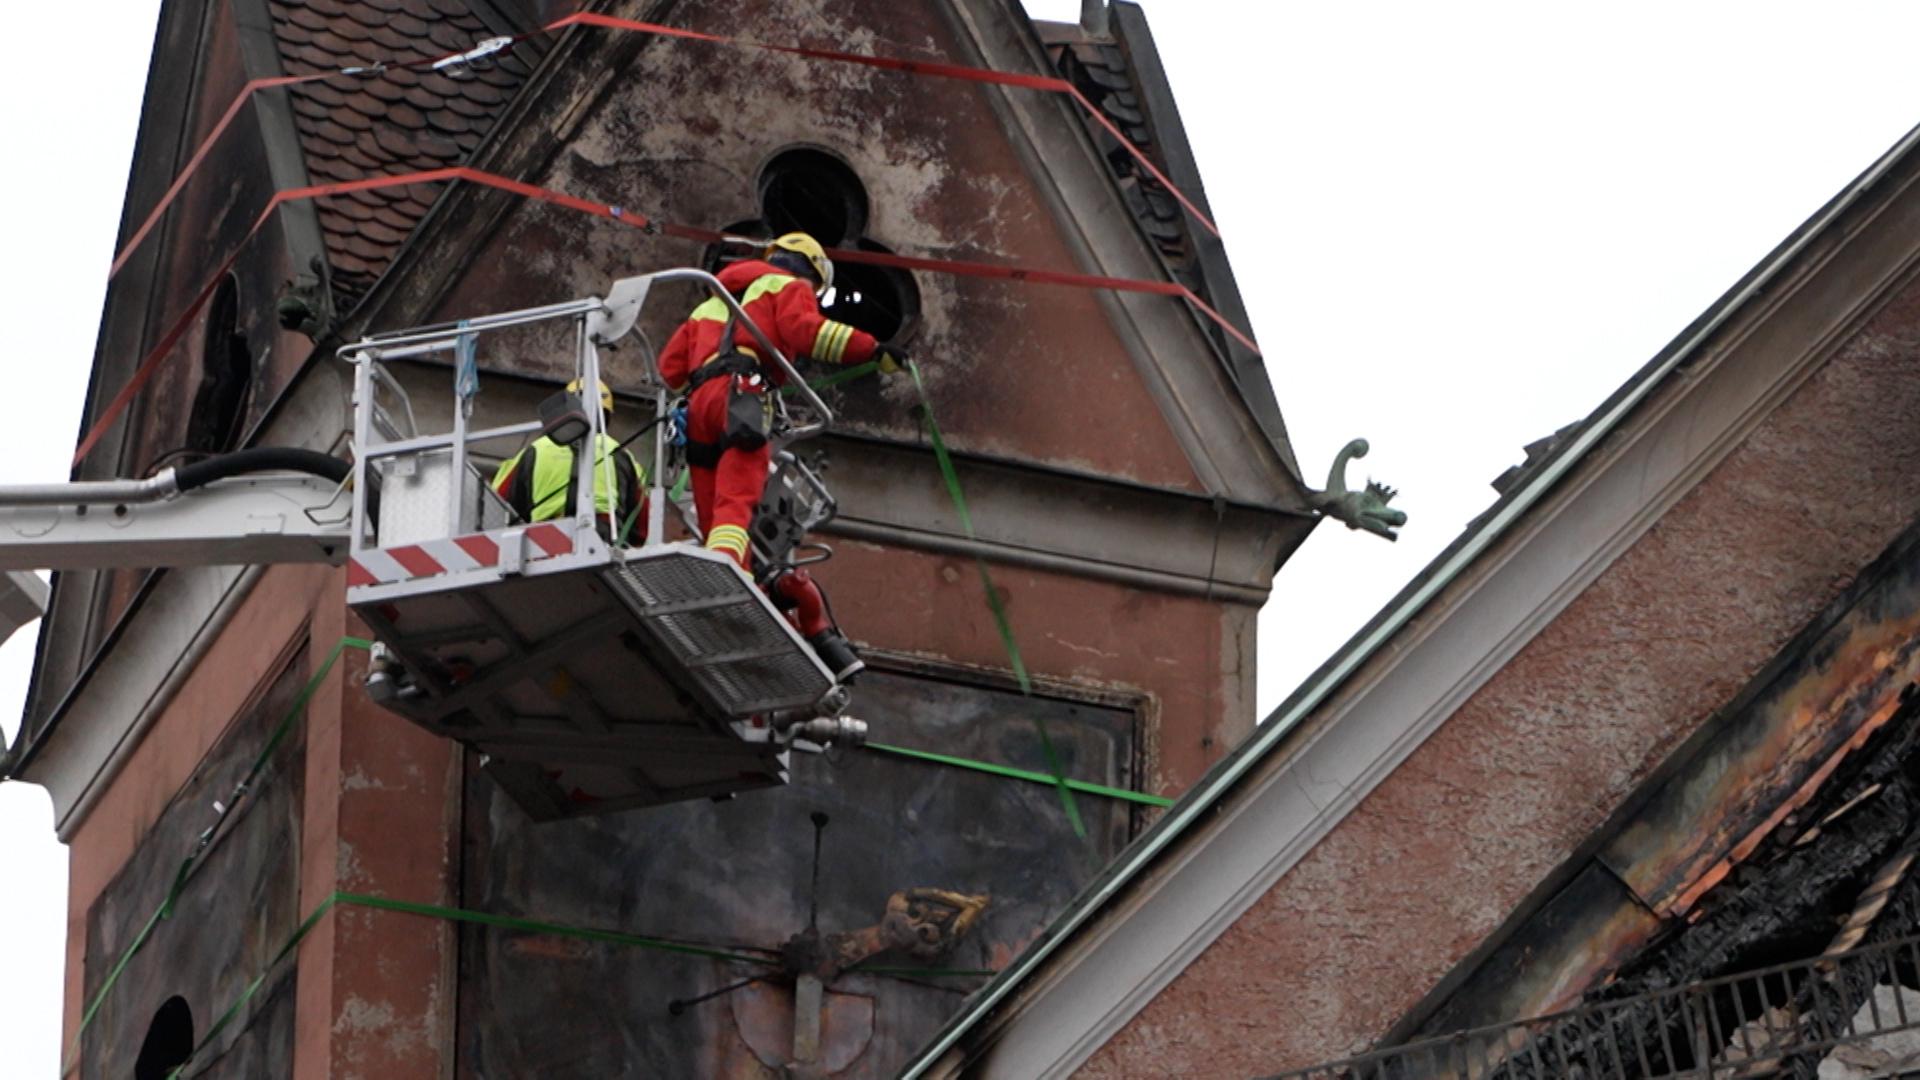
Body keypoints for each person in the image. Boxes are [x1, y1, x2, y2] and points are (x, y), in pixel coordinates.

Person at [656, 232, 905, 679]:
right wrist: (872, 349)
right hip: (744, 397)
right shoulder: (788, 286)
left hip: (698, 408)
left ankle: (735, 578)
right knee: (737, 498)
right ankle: (730, 573)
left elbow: (670, 369)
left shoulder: (713, 301)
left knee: (712, 508)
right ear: (809, 269)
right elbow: (806, 331)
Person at [491, 378, 647, 544]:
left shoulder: (536, 449)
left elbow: (498, 504)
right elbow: (643, 520)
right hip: (603, 539)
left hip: (544, 541)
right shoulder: (620, 452)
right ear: (606, 416)